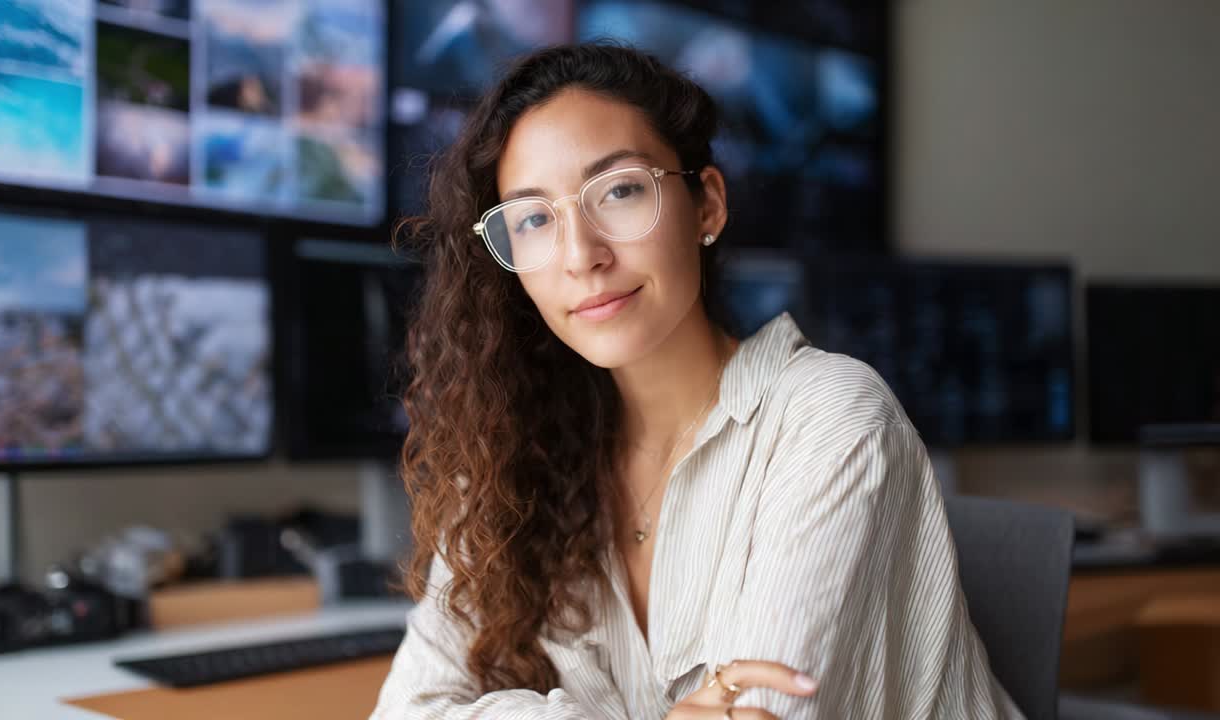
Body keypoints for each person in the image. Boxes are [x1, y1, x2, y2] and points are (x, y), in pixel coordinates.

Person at [372, 43, 1023, 720]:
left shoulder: (831, 420)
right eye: (534, 218)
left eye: (620, 191)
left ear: (706, 205)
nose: (581, 256)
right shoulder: (517, 459)